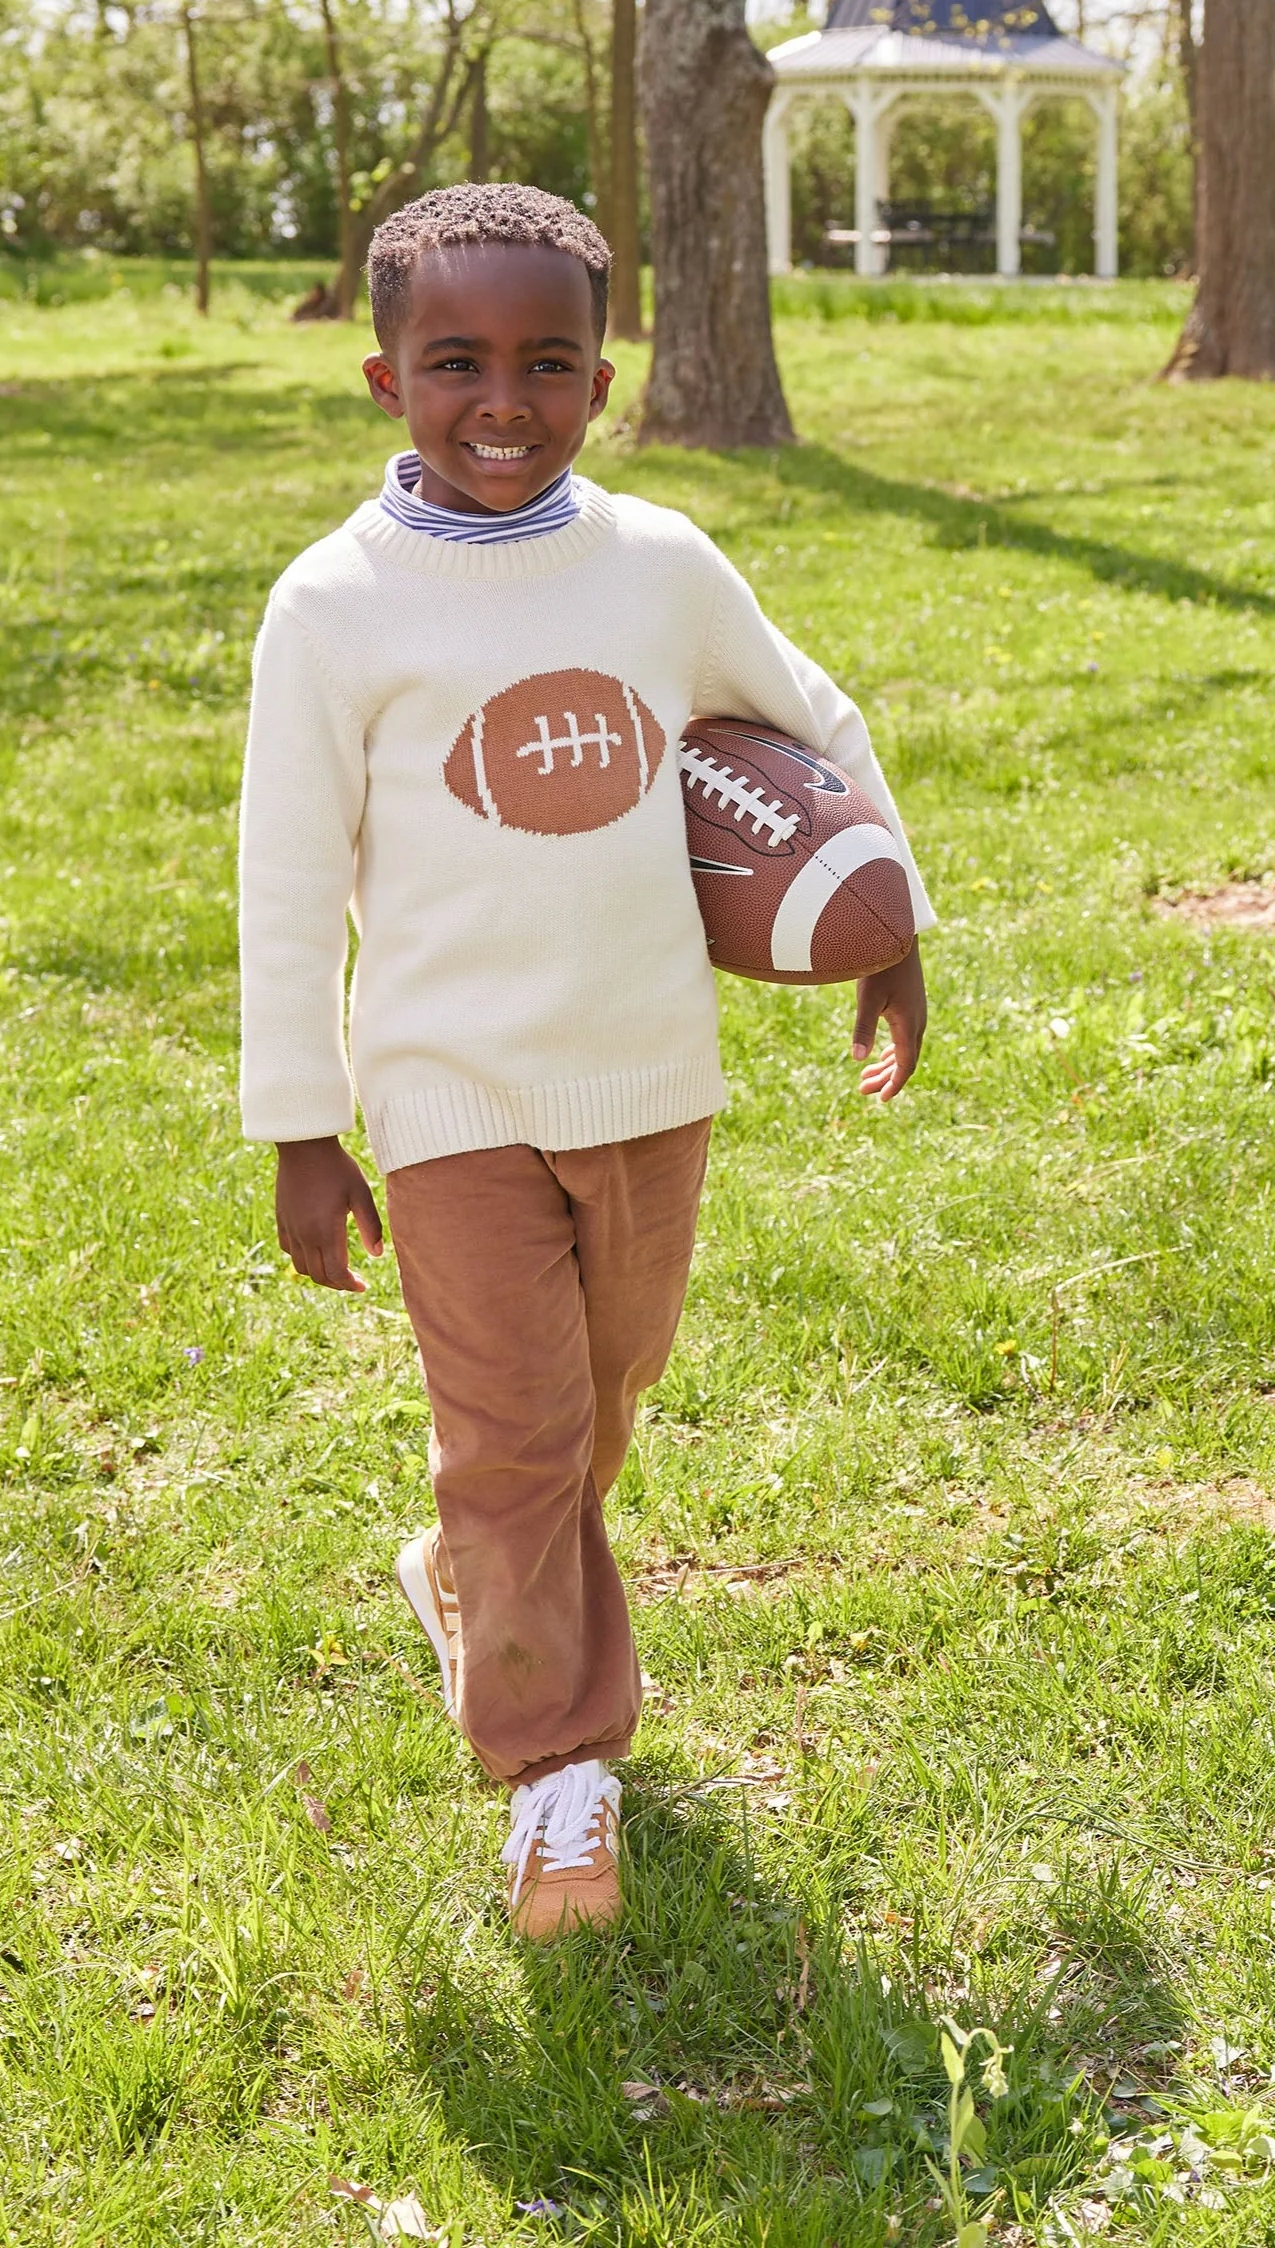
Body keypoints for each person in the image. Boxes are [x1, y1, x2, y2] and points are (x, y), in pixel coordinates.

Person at [238, 183, 935, 1936]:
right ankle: (558, 1776)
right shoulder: (334, 606)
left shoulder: (656, 565)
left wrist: (887, 924)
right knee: (520, 1433)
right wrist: (302, 1125)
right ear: (382, 376)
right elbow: (283, 878)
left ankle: (473, 1575)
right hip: (443, 1093)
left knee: (602, 1401)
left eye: (546, 364)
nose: (502, 401)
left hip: (647, 1080)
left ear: (602, 381)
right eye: (454, 362)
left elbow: (809, 721)